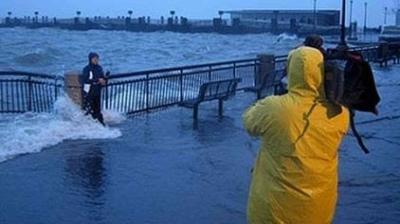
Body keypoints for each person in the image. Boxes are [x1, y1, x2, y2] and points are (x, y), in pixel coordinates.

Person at [243, 42, 349, 223]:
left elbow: (249, 122)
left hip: (273, 209)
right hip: (318, 207)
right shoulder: (340, 113)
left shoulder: (274, 107)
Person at [82, 52, 107, 125]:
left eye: (97, 58)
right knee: (89, 109)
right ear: (90, 59)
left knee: (97, 109)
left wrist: (104, 80)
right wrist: (97, 80)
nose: (96, 60)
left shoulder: (99, 68)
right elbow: (85, 80)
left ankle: (100, 124)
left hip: (97, 91)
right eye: (94, 59)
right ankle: (89, 124)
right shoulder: (87, 69)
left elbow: (102, 77)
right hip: (89, 92)